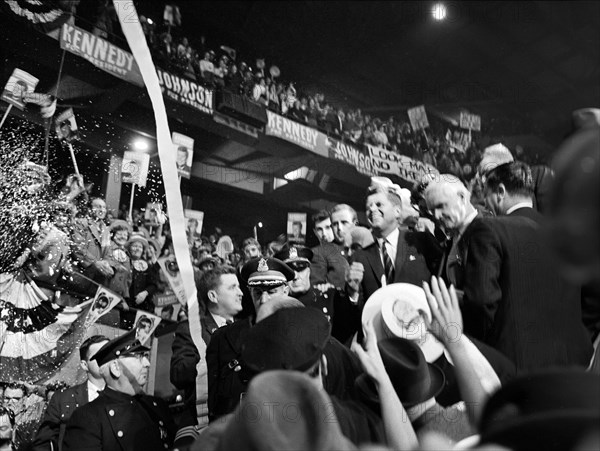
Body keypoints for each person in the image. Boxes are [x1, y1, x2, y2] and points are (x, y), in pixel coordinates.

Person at [461, 161, 592, 372]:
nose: (485, 204)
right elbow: (590, 295)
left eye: (486, 196)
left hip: (514, 366)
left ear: (500, 192)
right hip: (572, 363)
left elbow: (481, 302)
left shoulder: (490, 229)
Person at [205, 258, 294, 422]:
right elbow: (214, 404)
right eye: (258, 292)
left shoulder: (302, 336)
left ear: (286, 291)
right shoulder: (223, 339)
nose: (264, 300)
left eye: (272, 291)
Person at [62, 331, 176, 451]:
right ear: (115, 368)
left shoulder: (156, 406)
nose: (147, 364)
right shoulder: (88, 418)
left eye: (145, 356)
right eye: (139, 357)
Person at [170, 266, 244, 444]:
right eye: (232, 287)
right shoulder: (192, 329)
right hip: (207, 424)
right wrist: (217, 356)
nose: (240, 293)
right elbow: (178, 374)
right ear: (213, 296)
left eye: (239, 286)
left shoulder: (248, 328)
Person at [346, 181, 440, 309]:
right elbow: (359, 310)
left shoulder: (422, 242)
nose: (372, 209)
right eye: (368, 207)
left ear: (397, 211)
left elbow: (442, 281)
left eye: (379, 204)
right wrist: (353, 292)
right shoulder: (358, 258)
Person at [33, 335, 109, 451]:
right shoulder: (62, 399)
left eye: (110, 351)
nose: (107, 357)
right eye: (99, 353)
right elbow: (43, 444)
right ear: (84, 365)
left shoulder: (127, 398)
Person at [274, 245, 360, 345]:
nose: (296, 276)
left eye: (300, 269)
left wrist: (352, 292)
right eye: (290, 272)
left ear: (309, 271)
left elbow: (351, 326)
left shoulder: (329, 295)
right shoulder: (278, 305)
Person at [310, 210, 349, 289]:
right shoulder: (315, 252)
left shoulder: (347, 249)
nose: (324, 234)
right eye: (319, 229)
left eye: (328, 227)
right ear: (315, 232)